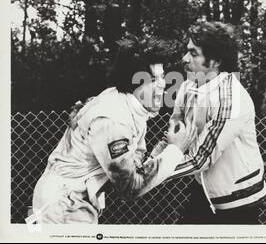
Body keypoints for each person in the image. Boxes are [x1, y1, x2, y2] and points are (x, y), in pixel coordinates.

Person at [28, 36, 196, 224]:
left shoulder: (129, 104)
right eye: (153, 79)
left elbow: (136, 167)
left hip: (68, 201)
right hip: (63, 207)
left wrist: (166, 146)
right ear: (135, 83)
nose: (163, 84)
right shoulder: (113, 121)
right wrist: (175, 150)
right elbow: (130, 188)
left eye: (162, 76)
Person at [155, 21, 266, 224]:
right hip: (204, 188)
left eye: (193, 53)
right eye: (186, 52)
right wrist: (146, 163)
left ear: (215, 61)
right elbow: (172, 136)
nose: (184, 59)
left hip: (238, 197)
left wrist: (148, 174)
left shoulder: (231, 98)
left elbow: (199, 159)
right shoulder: (188, 86)